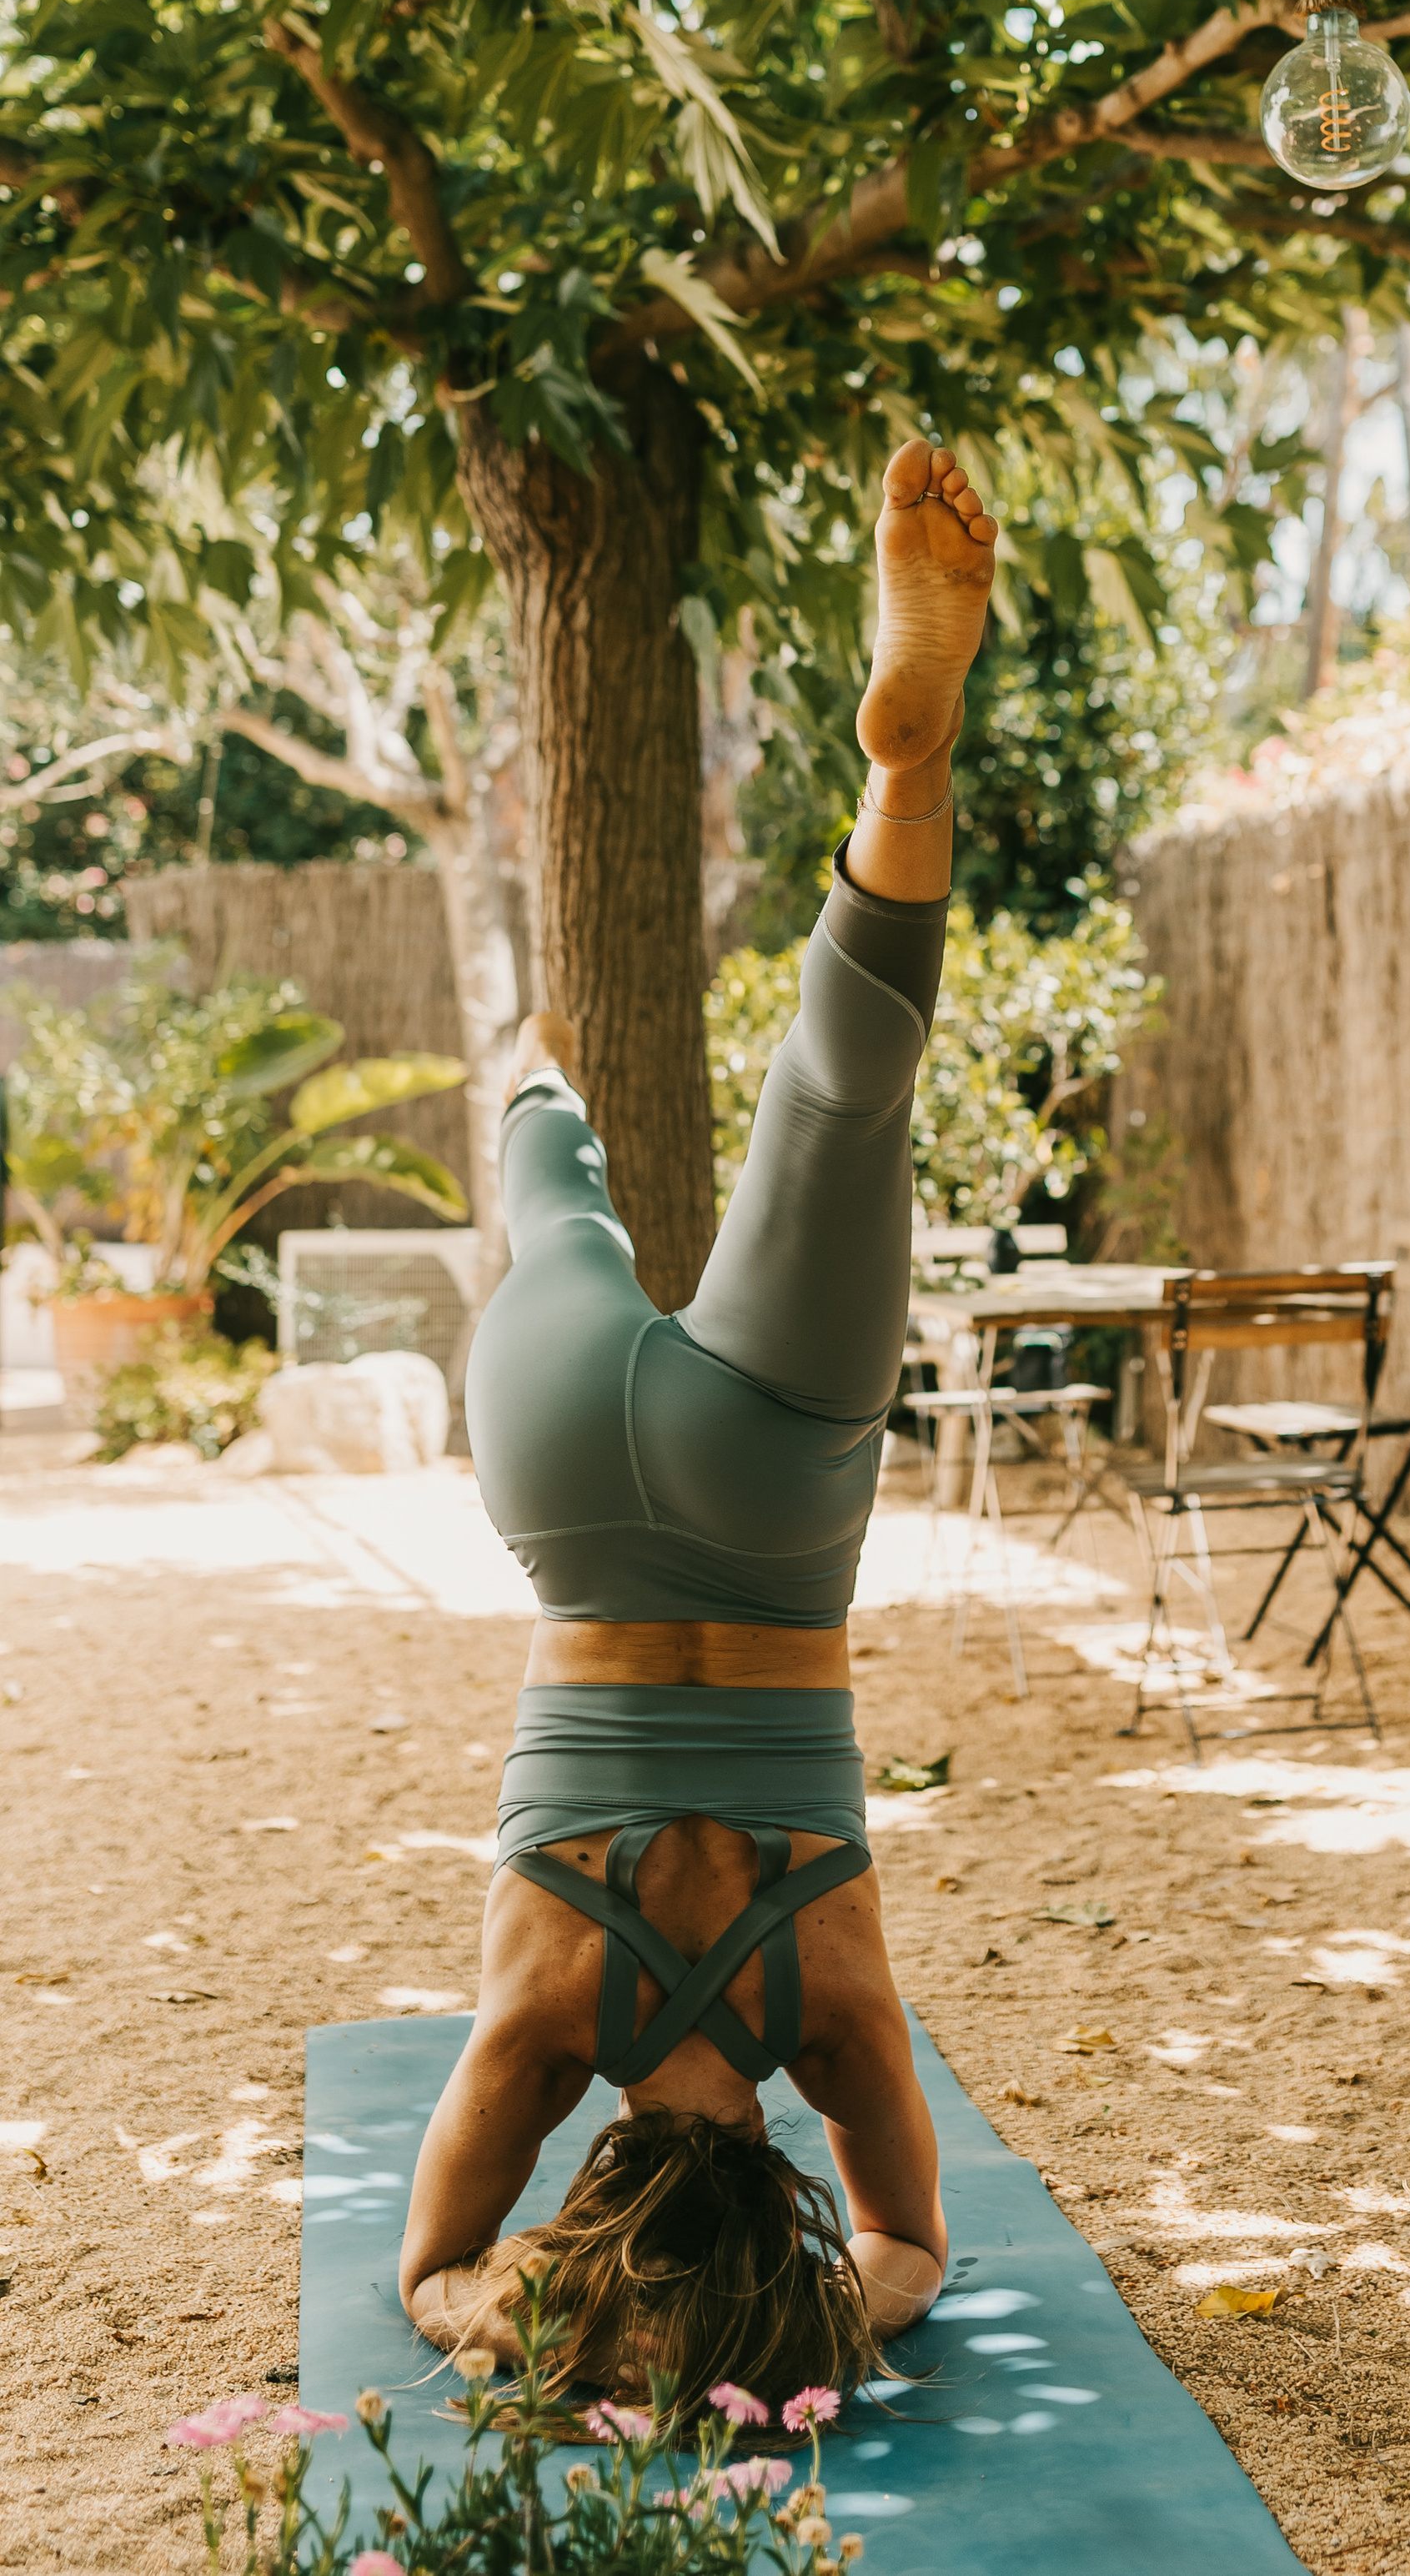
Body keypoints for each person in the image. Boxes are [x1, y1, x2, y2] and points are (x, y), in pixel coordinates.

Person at [397, 440, 998, 2403]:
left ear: (777, 2212)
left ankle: (900, 778)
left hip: (773, 1506)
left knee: (845, 1099)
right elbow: (433, 2274)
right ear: (594, 2197)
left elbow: (911, 2250)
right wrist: (526, 2317)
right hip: (571, 1489)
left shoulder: (833, 2021)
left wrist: (836, 2315)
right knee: (556, 1214)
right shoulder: (540, 2033)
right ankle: (536, 1094)